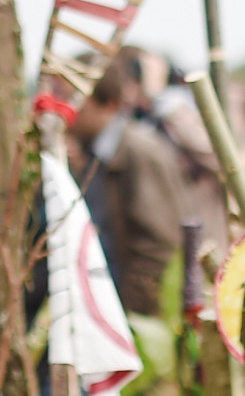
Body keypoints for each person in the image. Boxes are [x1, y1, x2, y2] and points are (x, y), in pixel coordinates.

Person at [70, 52, 185, 319]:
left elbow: (159, 247)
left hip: (135, 319)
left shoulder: (139, 152)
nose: (67, 107)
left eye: (76, 98)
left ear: (108, 103)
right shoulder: (94, 152)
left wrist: (129, 318)